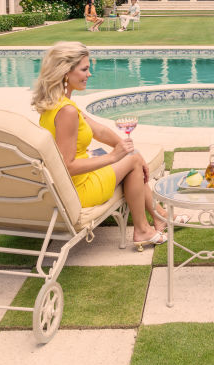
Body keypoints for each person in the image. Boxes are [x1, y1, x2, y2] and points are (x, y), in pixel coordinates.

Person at [32, 42, 185, 249]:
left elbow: (99, 131)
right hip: (79, 189)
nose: (89, 74)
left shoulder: (57, 103)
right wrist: (117, 156)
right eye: (84, 69)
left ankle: (160, 216)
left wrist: (127, 148)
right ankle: (142, 229)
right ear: (65, 72)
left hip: (69, 184)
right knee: (131, 162)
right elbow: (67, 165)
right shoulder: (66, 111)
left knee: (131, 156)